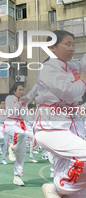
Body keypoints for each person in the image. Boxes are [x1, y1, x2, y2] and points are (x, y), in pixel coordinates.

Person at [34, 30, 86, 197]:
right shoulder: (48, 68)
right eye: (67, 44)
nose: (72, 48)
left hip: (72, 124)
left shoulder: (72, 66)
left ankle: (63, 190)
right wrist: (83, 79)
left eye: (73, 44)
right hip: (51, 126)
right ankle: (56, 188)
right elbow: (69, 92)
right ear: (52, 48)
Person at [4, 83, 37, 186]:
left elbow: (33, 91)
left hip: (21, 124)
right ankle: (12, 147)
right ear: (14, 91)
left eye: (23, 90)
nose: (22, 92)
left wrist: (40, 79)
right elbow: (11, 111)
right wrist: (20, 102)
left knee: (22, 153)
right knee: (20, 133)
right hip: (10, 123)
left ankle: (17, 176)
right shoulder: (9, 98)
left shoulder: (24, 99)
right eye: (20, 90)